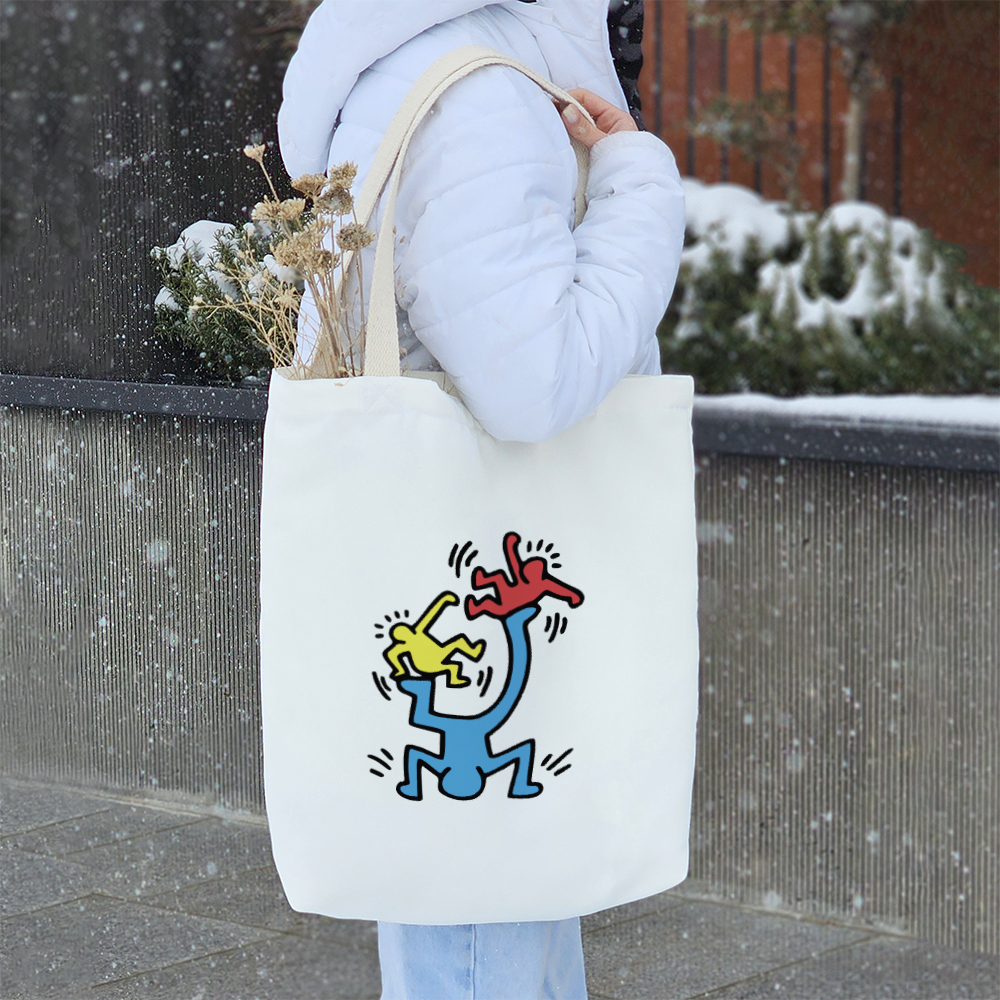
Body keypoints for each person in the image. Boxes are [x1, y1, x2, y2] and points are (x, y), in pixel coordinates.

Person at [278, 1, 685, 996]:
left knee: (490, 903)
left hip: (446, 544)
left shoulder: (432, 60)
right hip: (489, 527)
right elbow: (532, 384)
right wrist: (637, 185)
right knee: (482, 923)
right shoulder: (479, 95)